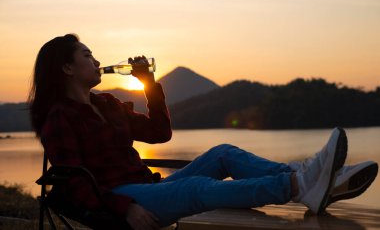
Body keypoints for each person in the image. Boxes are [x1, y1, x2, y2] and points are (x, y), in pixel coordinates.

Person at [28, 34, 378, 230]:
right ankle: (303, 183)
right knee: (197, 188)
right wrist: (124, 209)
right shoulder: (59, 117)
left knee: (223, 152)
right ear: (67, 67)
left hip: (151, 189)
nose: (95, 59)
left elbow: (159, 133)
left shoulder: (106, 103)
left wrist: (149, 85)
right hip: (123, 198)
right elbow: (73, 185)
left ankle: (316, 181)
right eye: (87, 55)